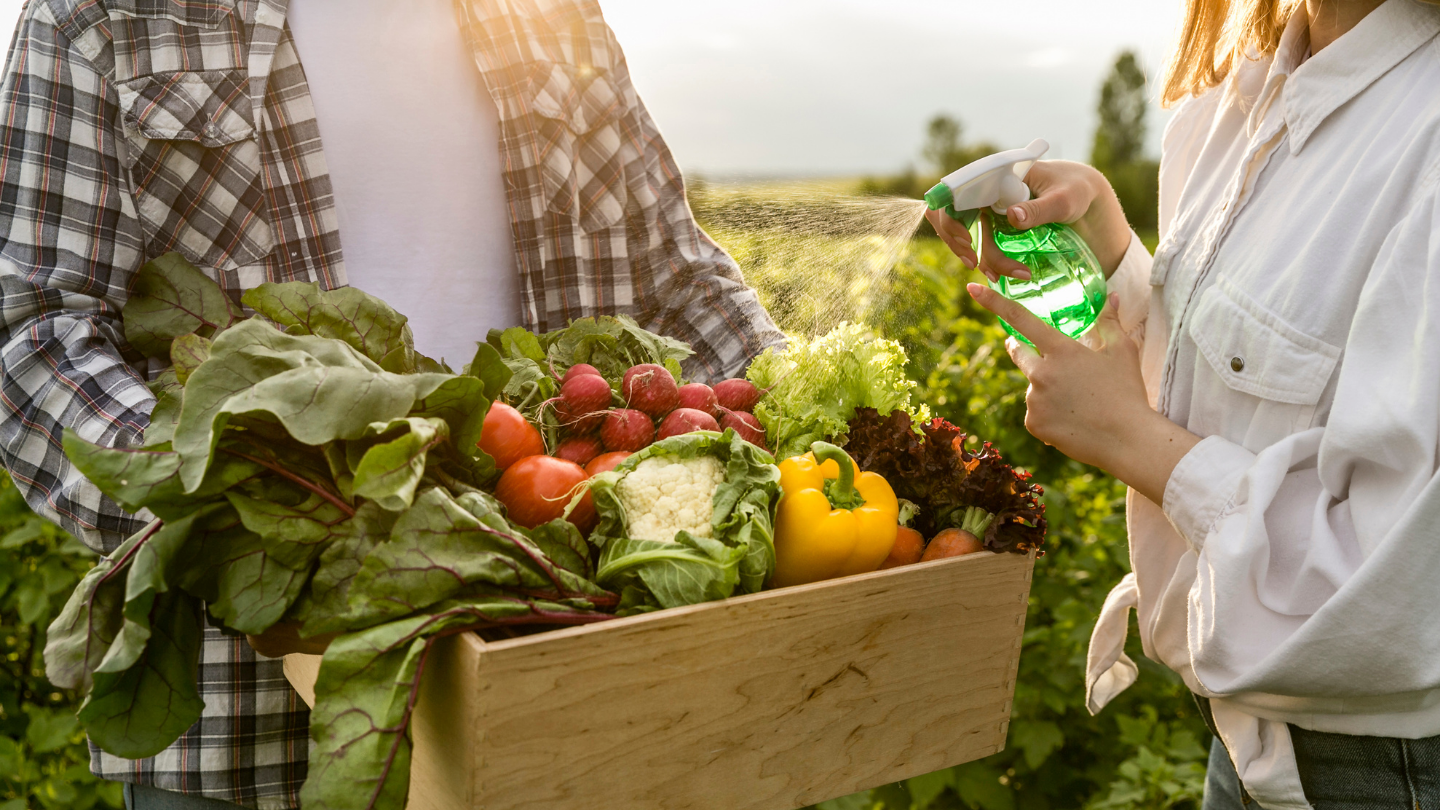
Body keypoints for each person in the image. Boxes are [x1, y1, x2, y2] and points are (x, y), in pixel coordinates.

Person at [0, 0, 783, 806]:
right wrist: (253, 497)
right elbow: (38, 339)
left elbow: (678, 281)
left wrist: (811, 397)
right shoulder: (103, 16)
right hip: (249, 719)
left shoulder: (553, 16)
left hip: (560, 689)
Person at [930, 0, 1440, 806]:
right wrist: (1112, 259)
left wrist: (1131, 440)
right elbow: (1241, 385)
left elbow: (1403, 595)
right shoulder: (1229, 103)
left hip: (1384, 775)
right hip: (1244, 749)